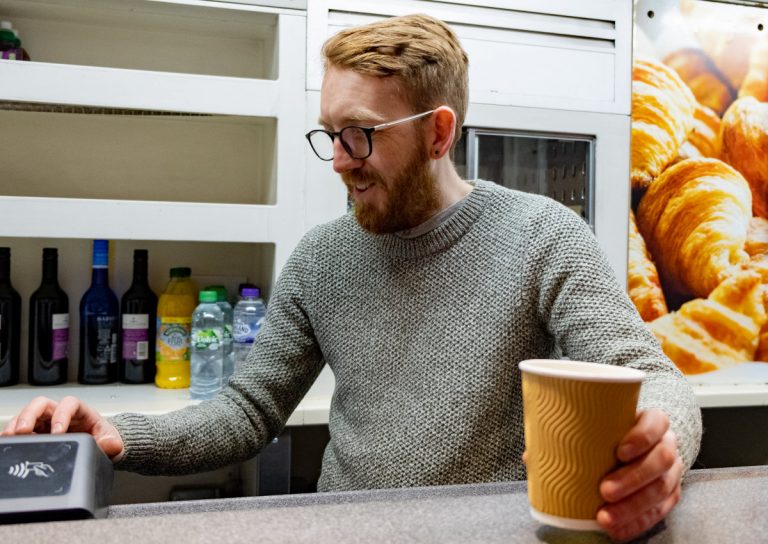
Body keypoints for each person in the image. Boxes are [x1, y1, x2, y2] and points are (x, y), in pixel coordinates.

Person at [3, 14, 700, 541]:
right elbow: (249, 411)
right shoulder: (321, 259)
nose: (338, 161)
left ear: (439, 132)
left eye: (360, 134)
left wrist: (661, 440)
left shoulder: (543, 236)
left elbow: (649, 371)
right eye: (328, 133)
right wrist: (122, 436)